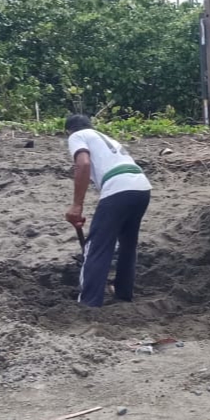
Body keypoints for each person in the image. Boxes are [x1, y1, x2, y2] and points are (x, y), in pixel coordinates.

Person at [64, 114, 152, 307]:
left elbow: (83, 164)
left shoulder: (77, 136)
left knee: (97, 246)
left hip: (119, 187)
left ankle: (89, 302)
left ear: (68, 131)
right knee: (128, 244)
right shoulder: (105, 138)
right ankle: (123, 293)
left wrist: (77, 205)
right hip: (141, 186)